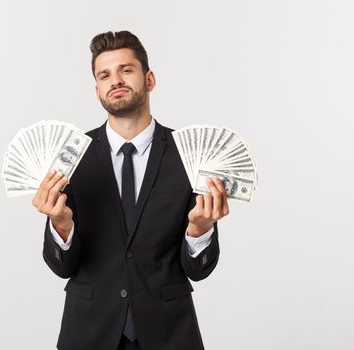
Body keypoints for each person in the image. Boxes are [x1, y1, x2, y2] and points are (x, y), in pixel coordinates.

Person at [32, 30, 229, 350]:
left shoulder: (190, 155)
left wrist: (199, 230)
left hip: (169, 333)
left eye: (126, 70)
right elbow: (61, 267)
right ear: (97, 90)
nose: (116, 80)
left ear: (149, 79)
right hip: (89, 332)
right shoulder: (71, 156)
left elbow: (198, 270)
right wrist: (61, 226)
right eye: (104, 74)